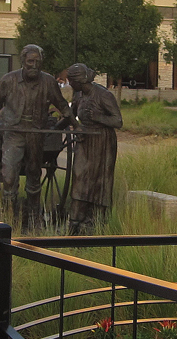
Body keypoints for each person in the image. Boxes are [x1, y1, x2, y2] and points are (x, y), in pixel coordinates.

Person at [0, 44, 71, 228]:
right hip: (14, 133)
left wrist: (74, 123)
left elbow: (62, 104)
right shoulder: (9, 80)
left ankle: (34, 217)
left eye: (38, 62)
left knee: (34, 174)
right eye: (30, 61)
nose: (34, 65)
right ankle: (9, 219)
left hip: (36, 133)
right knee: (9, 176)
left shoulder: (48, 81)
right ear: (23, 61)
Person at [65, 63, 122, 235]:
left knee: (99, 181)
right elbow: (70, 115)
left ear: (78, 80)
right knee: (80, 176)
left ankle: (95, 222)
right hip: (85, 141)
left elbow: (118, 121)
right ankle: (75, 222)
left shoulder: (103, 95)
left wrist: (97, 117)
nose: (69, 84)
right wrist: (55, 128)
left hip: (102, 142)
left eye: (70, 81)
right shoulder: (79, 94)